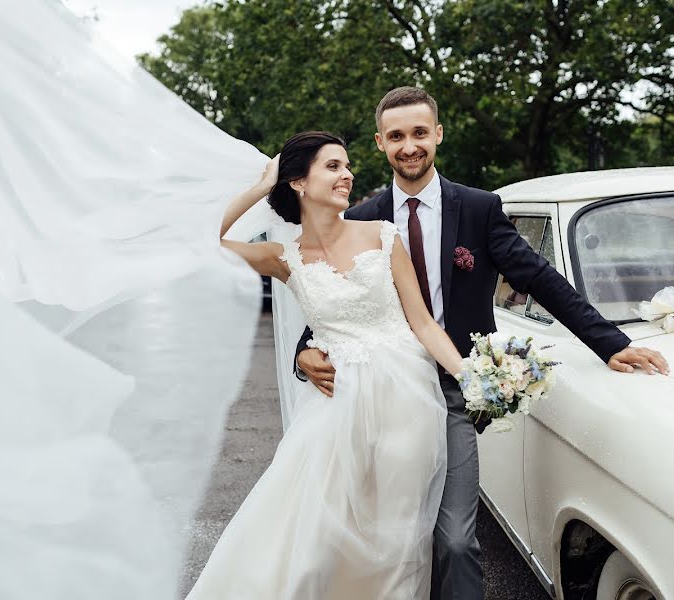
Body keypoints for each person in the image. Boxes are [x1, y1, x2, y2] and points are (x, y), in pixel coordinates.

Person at [294, 87, 670, 600]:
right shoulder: (359, 218)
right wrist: (302, 354)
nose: (410, 146)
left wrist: (610, 343)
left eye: (420, 133)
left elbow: (540, 277)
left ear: (438, 135)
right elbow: (331, 302)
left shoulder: (478, 208)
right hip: (377, 398)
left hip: (452, 391)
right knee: (386, 536)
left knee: (453, 539)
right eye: (397, 136)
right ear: (381, 142)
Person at [187, 131, 468, 599]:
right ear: (299, 182)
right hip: (334, 404)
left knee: (395, 536)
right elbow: (204, 241)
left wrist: (470, 376)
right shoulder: (284, 257)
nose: (347, 175)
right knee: (315, 532)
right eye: (333, 166)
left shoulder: (383, 235)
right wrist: (261, 186)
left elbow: (422, 323)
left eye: (347, 165)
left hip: (407, 399)